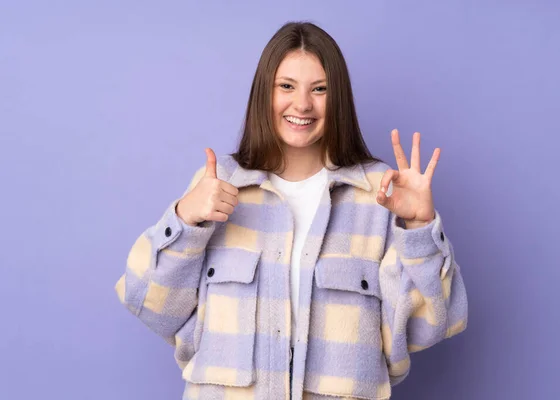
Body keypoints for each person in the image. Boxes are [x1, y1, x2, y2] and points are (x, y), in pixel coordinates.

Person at [115, 21, 468, 400]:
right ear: (263, 93)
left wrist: (419, 228)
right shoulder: (218, 186)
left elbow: (431, 325)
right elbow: (149, 302)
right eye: (286, 86)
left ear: (339, 100)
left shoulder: (379, 193)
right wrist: (185, 219)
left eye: (319, 89)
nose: (302, 104)